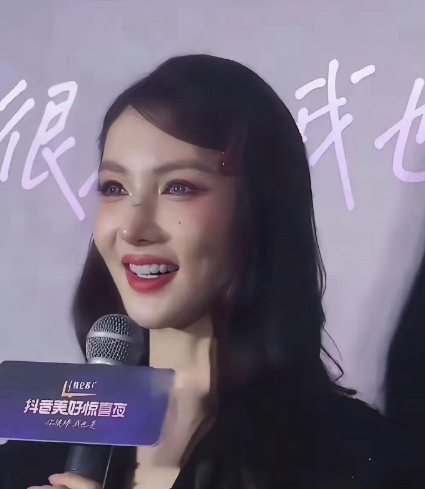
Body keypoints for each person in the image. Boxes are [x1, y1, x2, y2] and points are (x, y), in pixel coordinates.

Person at [0, 54, 385, 489]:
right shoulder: (27, 462)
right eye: (115, 187)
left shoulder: (354, 459)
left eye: (178, 187)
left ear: (262, 210)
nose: (132, 229)